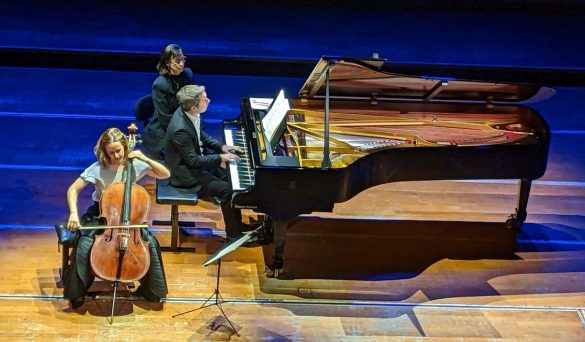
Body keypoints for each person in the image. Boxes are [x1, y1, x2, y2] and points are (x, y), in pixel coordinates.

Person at [63, 127, 171, 309]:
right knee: (85, 244)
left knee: (150, 242)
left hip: (130, 216)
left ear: (125, 146)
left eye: (119, 151)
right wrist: (73, 212)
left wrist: (144, 158)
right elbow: (73, 189)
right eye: (110, 152)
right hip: (102, 215)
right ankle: (77, 293)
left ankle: (152, 291)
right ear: (104, 151)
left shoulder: (135, 164)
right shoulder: (98, 168)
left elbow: (165, 174)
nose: (116, 156)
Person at [165, 84, 258, 241]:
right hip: (185, 173)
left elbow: (201, 135)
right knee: (228, 190)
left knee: (232, 179)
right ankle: (234, 233)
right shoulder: (180, 129)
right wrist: (220, 157)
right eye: (204, 99)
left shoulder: (187, 114)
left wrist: (222, 147)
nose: (208, 100)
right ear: (194, 107)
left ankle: (237, 224)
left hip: (194, 163)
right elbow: (193, 161)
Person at [142, 43, 195, 158]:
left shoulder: (187, 74)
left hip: (184, 123)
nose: (181, 64)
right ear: (167, 62)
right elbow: (165, 118)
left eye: (183, 59)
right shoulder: (160, 84)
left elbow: (192, 101)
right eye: (177, 61)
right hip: (164, 130)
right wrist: (184, 134)